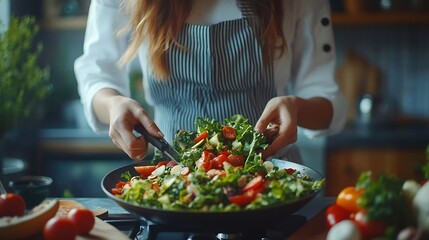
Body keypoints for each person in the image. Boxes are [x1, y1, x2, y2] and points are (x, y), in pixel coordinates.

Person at [74, 0, 347, 163]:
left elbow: (326, 100)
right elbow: (98, 73)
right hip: (173, 177)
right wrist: (113, 104)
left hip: (269, 179)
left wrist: (296, 107)